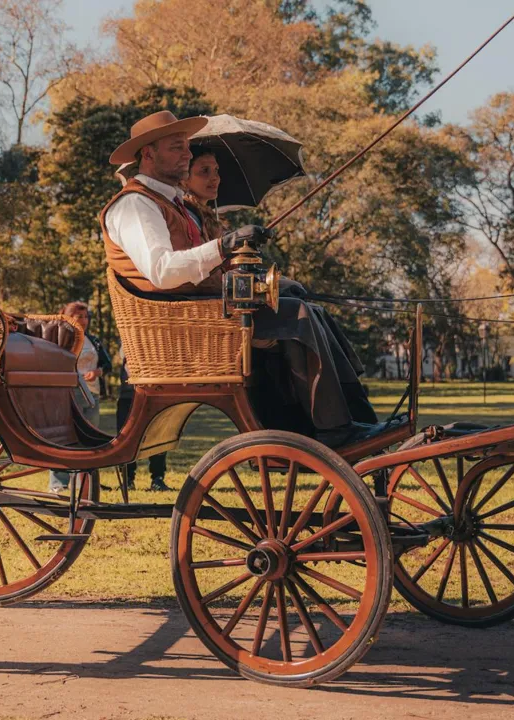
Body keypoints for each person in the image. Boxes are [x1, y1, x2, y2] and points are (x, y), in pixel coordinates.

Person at [101, 111, 379, 447]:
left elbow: (206, 273)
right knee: (297, 316)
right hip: (179, 322)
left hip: (203, 311)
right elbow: (162, 271)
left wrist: (265, 282)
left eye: (188, 148)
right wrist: (224, 245)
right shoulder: (135, 204)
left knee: (307, 309)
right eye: (178, 148)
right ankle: (336, 429)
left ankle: (355, 416)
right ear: (148, 153)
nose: (188, 155)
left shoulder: (172, 204)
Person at [49, 301, 112, 493]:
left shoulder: (93, 340)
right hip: (68, 393)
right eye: (79, 317)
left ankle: (85, 481)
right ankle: (58, 483)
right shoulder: (59, 339)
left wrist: (97, 372)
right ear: (69, 318)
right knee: (64, 437)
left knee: (89, 438)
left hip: (91, 395)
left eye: (86, 317)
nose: (84, 321)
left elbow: (107, 364)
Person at [115, 343, 169, 491]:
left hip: (153, 395)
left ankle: (157, 479)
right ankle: (127, 479)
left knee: (157, 436)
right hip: (129, 397)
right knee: (126, 438)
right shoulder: (130, 338)